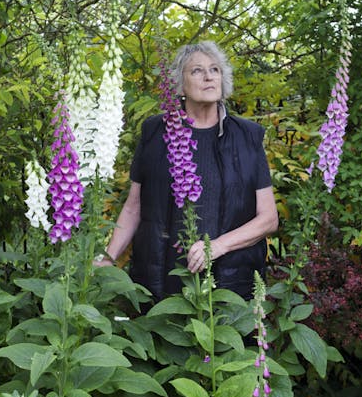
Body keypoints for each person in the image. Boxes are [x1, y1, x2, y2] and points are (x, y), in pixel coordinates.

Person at [97, 41, 279, 300]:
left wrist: (216, 246)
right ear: (180, 85)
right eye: (197, 71)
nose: (208, 76)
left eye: (215, 70)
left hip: (230, 285)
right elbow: (132, 207)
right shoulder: (154, 132)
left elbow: (269, 219)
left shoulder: (247, 137)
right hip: (160, 276)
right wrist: (108, 258)